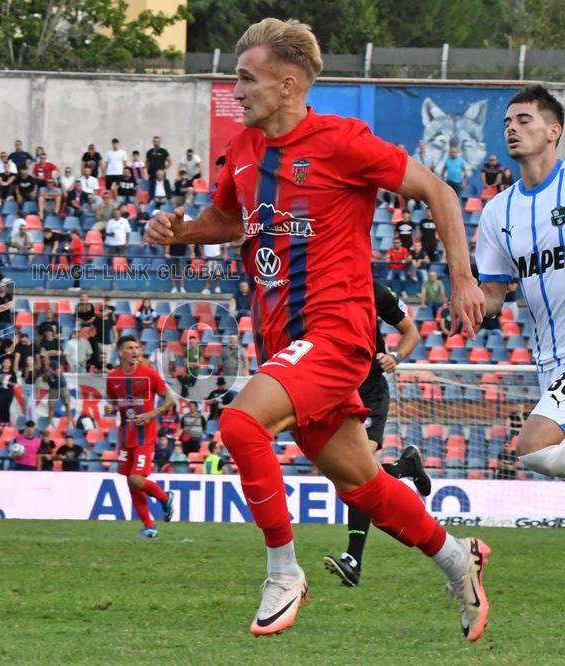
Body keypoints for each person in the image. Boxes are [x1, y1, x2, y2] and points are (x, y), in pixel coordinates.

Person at [145, 18, 488, 639]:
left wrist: (462, 276)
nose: (237, 89)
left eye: (246, 79)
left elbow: (435, 189)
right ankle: (459, 560)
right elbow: (228, 217)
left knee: (241, 423)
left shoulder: (342, 141)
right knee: (365, 485)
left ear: (287, 82)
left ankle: (283, 570)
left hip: (336, 333)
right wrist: (181, 232)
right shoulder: (244, 151)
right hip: (281, 339)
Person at [476, 85, 565, 481]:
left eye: (524, 120)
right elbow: (493, 297)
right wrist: (466, 298)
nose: (512, 128)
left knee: (535, 446)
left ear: (553, 131)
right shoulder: (497, 211)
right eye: (508, 122)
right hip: (548, 359)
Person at [324, 281, 431, 586]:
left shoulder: (376, 290)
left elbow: (411, 332)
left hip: (369, 392)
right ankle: (406, 467)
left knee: (357, 470)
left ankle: (353, 560)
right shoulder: (317, 285)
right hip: (335, 391)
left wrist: (395, 357)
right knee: (346, 473)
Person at [105, 335, 176, 538]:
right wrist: (110, 408)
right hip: (125, 437)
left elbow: (170, 401)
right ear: (121, 352)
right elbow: (113, 403)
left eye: (137, 347)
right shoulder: (113, 377)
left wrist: (151, 414)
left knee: (136, 480)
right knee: (131, 482)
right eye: (130, 348)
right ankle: (149, 526)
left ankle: (164, 498)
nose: (135, 351)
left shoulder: (150, 375)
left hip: (145, 436)